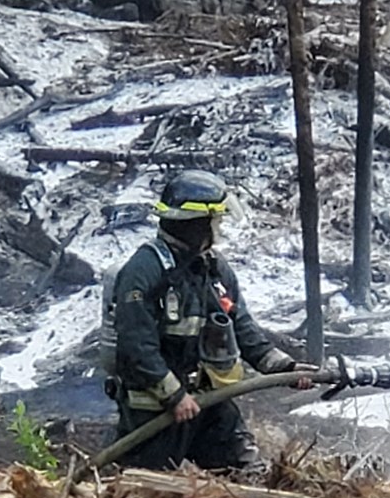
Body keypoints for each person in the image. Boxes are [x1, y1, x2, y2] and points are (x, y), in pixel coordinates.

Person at [110, 169, 307, 471]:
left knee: (244, 470)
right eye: (216, 222)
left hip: (208, 402)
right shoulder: (144, 270)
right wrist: (174, 396)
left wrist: (285, 367)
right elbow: (136, 345)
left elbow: (241, 326)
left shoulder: (213, 268)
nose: (219, 229)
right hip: (153, 413)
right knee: (149, 495)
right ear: (196, 223)